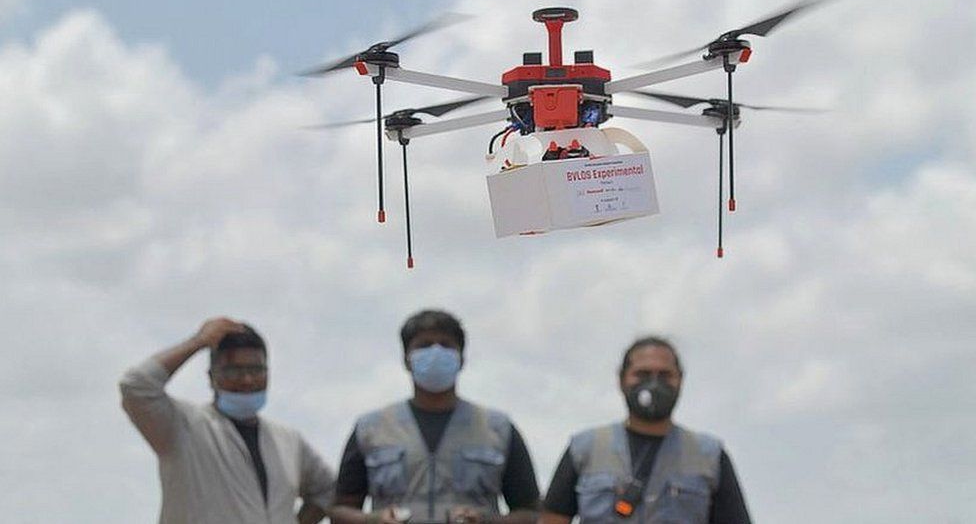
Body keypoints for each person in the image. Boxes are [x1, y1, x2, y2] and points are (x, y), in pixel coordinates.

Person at [331, 309, 541, 524]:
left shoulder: (498, 429)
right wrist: (374, 520)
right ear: (407, 360)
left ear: (461, 358)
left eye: (446, 344)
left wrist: (487, 521)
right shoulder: (371, 428)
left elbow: (531, 513)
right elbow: (340, 511)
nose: (435, 351)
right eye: (424, 345)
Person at [119, 317, 335, 524]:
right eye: (234, 370)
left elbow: (328, 491)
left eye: (256, 370)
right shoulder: (182, 426)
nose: (247, 379)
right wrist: (198, 342)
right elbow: (136, 386)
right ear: (211, 377)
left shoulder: (288, 441)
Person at [541, 336, 752, 524]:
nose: (654, 384)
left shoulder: (709, 456)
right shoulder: (585, 448)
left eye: (665, 375)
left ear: (680, 380)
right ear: (622, 380)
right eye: (642, 374)